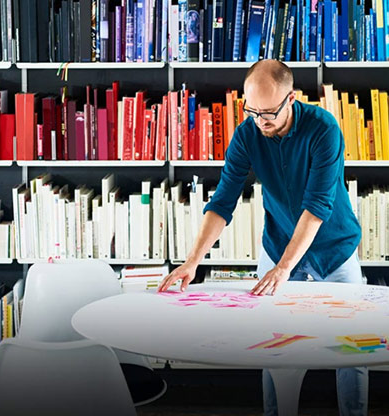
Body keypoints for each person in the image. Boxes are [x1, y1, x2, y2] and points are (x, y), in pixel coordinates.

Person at [157, 60, 368, 416]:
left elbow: (317, 206)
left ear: (292, 98)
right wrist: (192, 261)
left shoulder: (324, 129)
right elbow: (223, 201)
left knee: (353, 347)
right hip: (278, 244)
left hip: (335, 251)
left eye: (269, 112)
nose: (260, 121)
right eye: (252, 110)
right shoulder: (247, 134)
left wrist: (285, 268)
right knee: (275, 345)